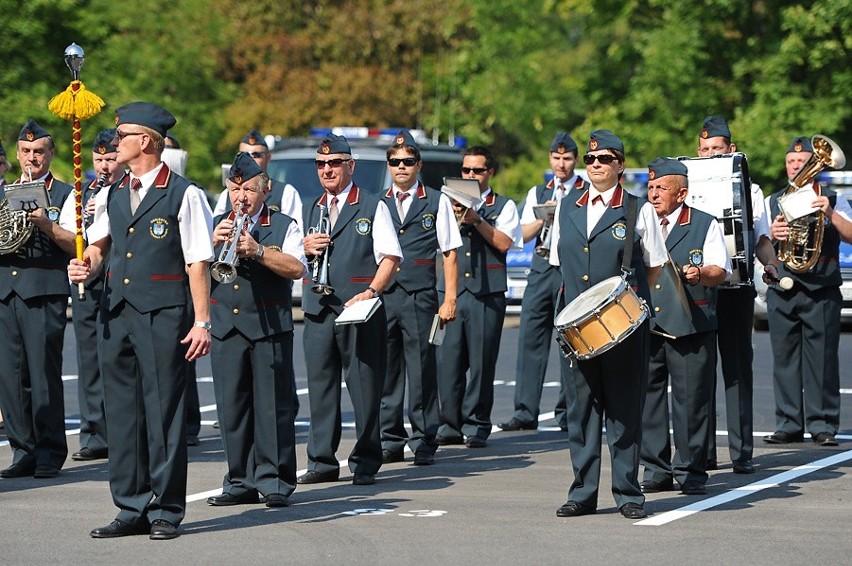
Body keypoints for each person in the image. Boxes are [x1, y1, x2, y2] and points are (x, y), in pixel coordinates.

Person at [68, 102, 214, 540]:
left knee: (164, 412)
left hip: (164, 315)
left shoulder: (184, 193)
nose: (115, 143)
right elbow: (100, 247)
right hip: (117, 313)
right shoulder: (111, 190)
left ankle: (166, 509)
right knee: (122, 414)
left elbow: (197, 263)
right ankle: (130, 506)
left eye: (122, 135)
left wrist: (202, 321)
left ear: (146, 140)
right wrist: (86, 265)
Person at [548, 130, 667, 519]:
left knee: (622, 412)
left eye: (604, 159)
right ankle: (582, 493)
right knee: (581, 412)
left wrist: (627, 306)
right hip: (577, 329)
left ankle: (629, 493)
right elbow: (559, 263)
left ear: (619, 165)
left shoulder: (638, 208)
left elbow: (653, 267)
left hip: (622, 328)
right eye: (590, 159)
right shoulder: (568, 205)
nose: (595, 165)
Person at [298, 133, 402, 486]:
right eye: (321, 164)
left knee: (364, 387)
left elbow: (391, 257)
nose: (327, 169)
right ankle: (322, 460)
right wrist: (304, 247)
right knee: (321, 387)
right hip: (318, 307)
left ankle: (366, 460)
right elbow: (295, 260)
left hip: (358, 309)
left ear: (350, 166)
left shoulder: (372, 205)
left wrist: (372, 291)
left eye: (334, 163)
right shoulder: (311, 207)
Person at [205, 153, 306, 508]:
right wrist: (209, 247)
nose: (241, 197)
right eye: (235, 189)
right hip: (226, 328)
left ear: (265, 190)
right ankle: (239, 481)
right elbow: (192, 269)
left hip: (268, 329)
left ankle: (275, 481)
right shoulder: (214, 223)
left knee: (272, 409)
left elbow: (296, 268)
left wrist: (260, 250)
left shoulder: (284, 225)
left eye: (248, 189)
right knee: (232, 409)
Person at [639, 157, 730, 496]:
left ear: (682, 193)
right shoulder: (640, 222)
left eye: (661, 187)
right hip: (648, 324)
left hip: (691, 324)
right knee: (647, 399)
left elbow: (721, 269)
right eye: (650, 187)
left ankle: (691, 470)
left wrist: (700, 274)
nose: (653, 193)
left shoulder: (704, 223)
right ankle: (656, 468)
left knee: (691, 401)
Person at [696, 116, 775, 474]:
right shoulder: (688, 186)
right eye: (706, 149)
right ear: (699, 151)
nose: (712, 154)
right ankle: (702, 451)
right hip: (700, 289)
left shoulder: (751, 190)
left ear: (730, 148)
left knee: (737, 370)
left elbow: (759, 238)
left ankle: (742, 452)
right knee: (698, 371)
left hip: (736, 288)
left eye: (718, 148)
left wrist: (771, 266)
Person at [763, 136, 852, 448]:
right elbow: (760, 246)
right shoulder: (773, 200)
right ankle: (788, 422)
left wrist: (829, 213)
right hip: (784, 287)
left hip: (821, 288)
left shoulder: (832, 198)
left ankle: (823, 423)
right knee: (784, 359)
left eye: (802, 161)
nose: (796, 165)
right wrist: (772, 235)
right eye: (791, 161)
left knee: (823, 359)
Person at [379, 130, 461, 466]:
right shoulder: (378, 201)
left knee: (423, 369)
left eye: (407, 161)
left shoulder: (437, 200)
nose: (401, 167)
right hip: (385, 297)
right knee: (387, 371)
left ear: (418, 164)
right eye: (395, 162)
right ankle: (390, 438)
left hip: (420, 296)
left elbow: (450, 253)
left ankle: (425, 436)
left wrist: (450, 297)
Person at [0, 119, 76, 479]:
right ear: (17, 154)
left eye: (39, 152)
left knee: (43, 374)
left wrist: (46, 224)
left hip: (44, 291)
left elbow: (77, 244)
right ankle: (22, 449)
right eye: (26, 151)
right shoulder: (3, 194)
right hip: (6, 292)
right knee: (10, 376)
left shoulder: (65, 194)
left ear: (51, 154)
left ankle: (49, 451)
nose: (32, 158)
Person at [500, 132, 588, 432]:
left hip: (570, 268)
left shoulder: (585, 190)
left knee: (571, 340)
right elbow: (521, 235)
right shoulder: (539, 191)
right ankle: (525, 410)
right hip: (541, 266)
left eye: (566, 158)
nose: (561, 164)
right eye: (556, 158)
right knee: (530, 338)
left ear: (575, 160)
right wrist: (544, 216)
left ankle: (568, 411)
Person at [436, 145, 522, 448]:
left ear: (490, 173)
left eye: (477, 170)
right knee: (448, 361)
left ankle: (477, 424)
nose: (470, 175)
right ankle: (449, 423)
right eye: (466, 170)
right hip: (453, 291)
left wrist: (476, 219)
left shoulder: (503, 205)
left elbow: (504, 243)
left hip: (487, 293)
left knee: (482, 363)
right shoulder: (445, 202)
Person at [58, 129, 123, 462]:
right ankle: (94, 432)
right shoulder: (81, 193)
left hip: (118, 276)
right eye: (99, 159)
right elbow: (69, 236)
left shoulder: (127, 190)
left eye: (110, 158)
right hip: (87, 279)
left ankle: (121, 431)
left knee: (118, 357)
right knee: (88, 358)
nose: (104, 165)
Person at [214, 129, 302, 227]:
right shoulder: (226, 194)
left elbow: (295, 231)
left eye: (256, 155)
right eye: (244, 154)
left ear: (268, 158)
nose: (250, 159)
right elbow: (214, 226)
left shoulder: (286, 192)